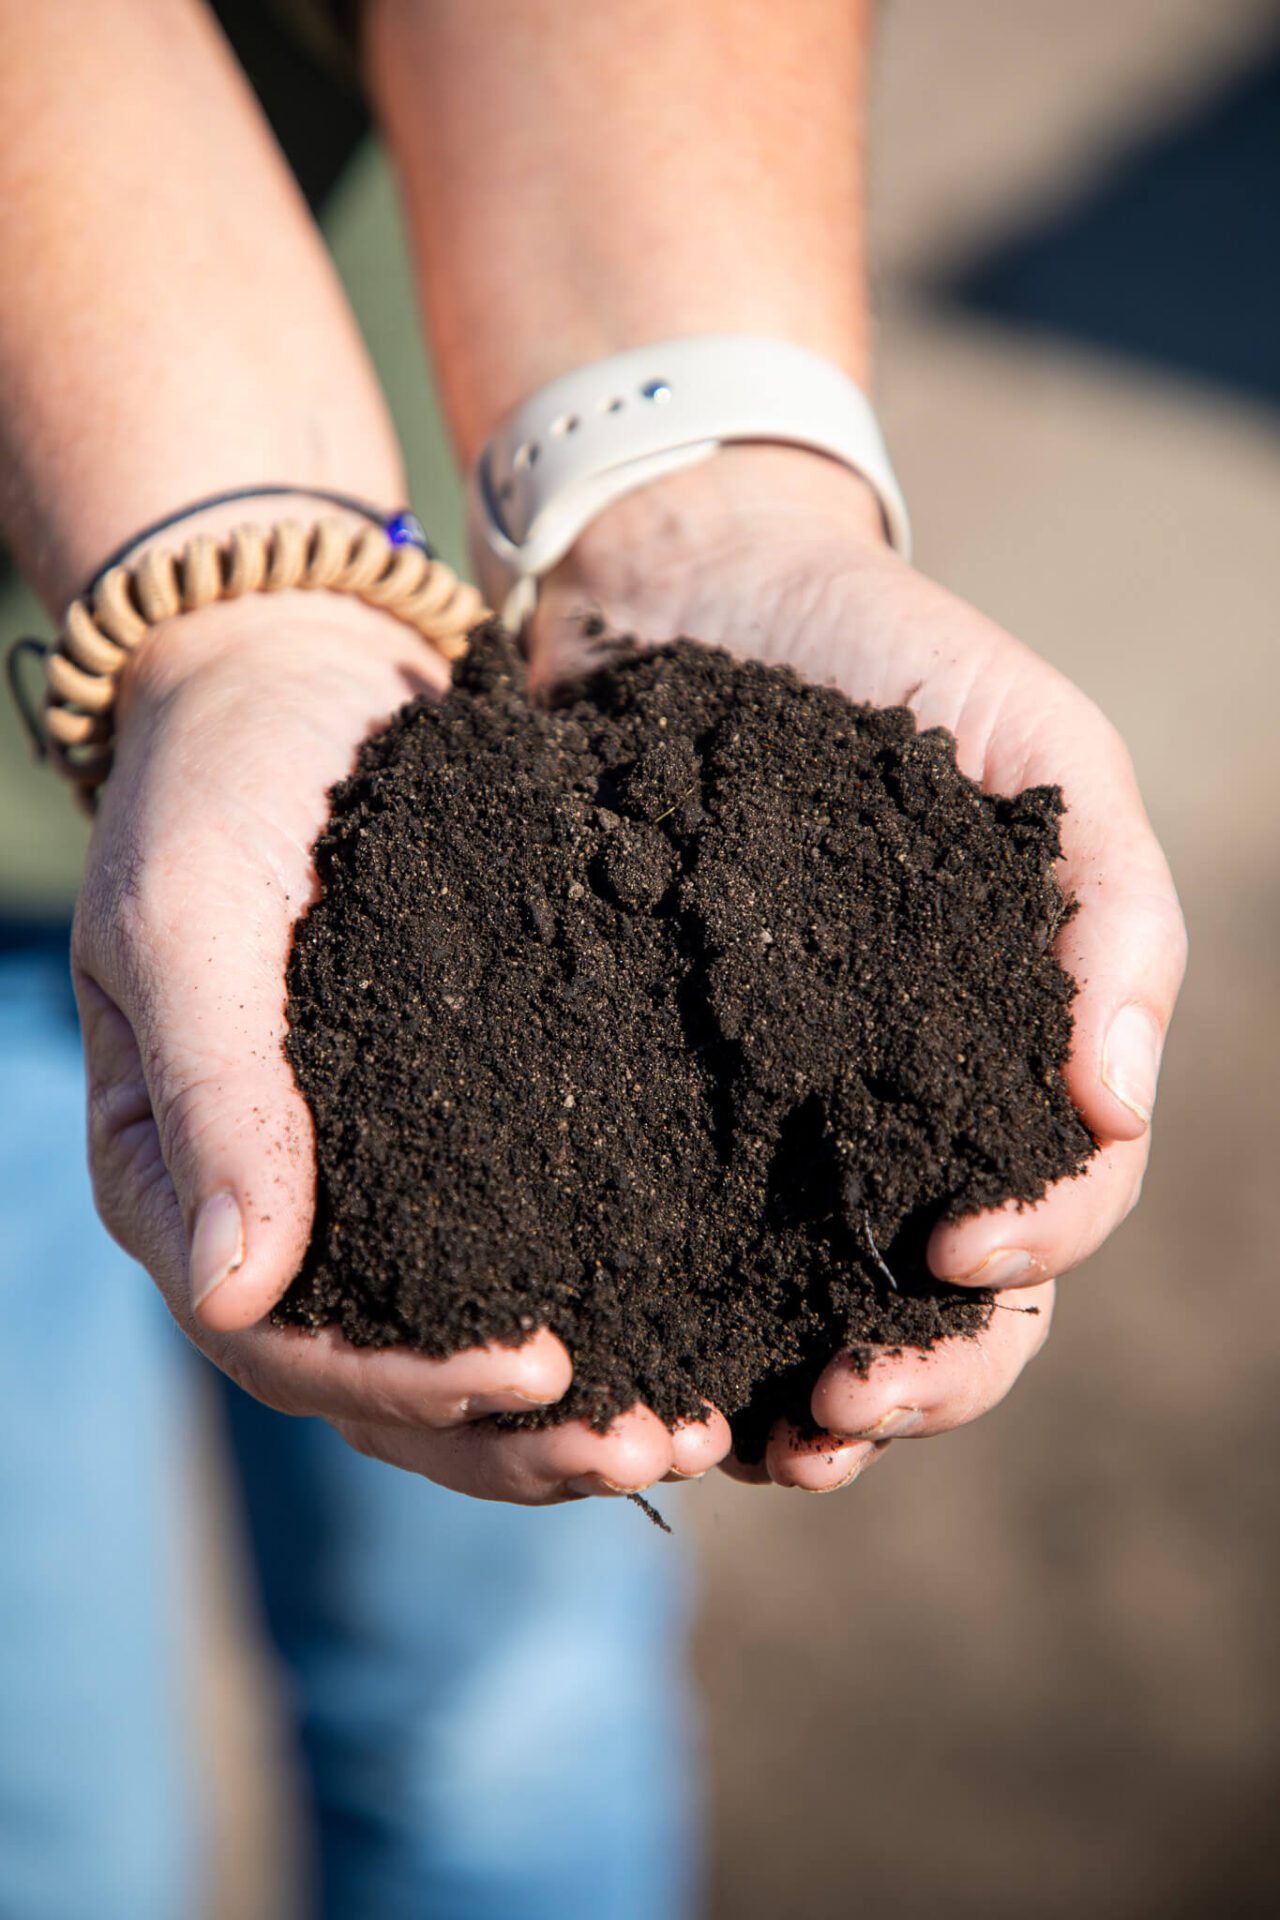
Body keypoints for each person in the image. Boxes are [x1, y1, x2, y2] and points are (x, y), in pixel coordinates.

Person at [0, 2, 1186, 1914]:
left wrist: (706, 489)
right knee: (40, 1788)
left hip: (444, 552)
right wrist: (233, 621)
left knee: (500, 1714)